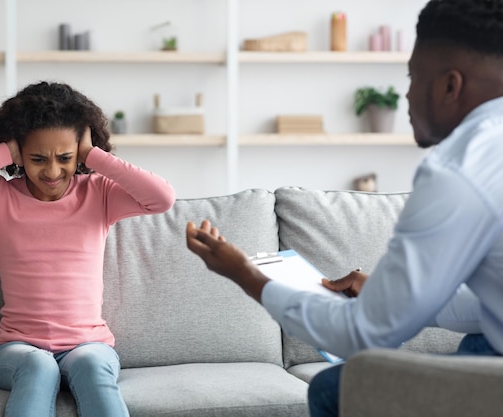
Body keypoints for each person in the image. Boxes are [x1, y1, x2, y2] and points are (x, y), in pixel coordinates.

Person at [186, 0, 503, 415]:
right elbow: (490, 306)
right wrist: (396, 297)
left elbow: (364, 336)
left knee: (338, 386)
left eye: (411, 76)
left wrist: (246, 276)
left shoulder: (460, 170)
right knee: (478, 341)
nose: (405, 94)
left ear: (450, 85)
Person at [0, 81, 176, 417]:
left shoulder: (99, 194)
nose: (52, 172)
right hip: (17, 350)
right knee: (39, 366)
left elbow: (162, 198)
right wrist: (1, 151)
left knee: (92, 364)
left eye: (65, 158)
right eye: (37, 158)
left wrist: (94, 156)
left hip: (88, 345)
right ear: (20, 154)